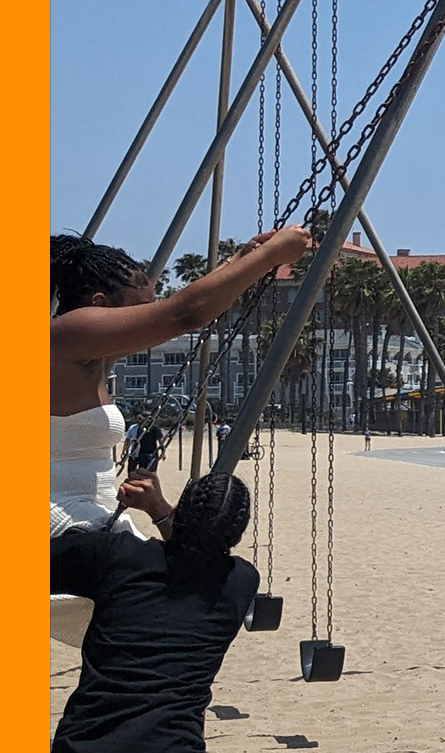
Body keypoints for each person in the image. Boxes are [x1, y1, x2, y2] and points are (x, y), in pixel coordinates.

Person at [51, 226, 311, 647]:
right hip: (58, 523)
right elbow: (181, 314)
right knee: (170, 603)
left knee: (200, 573)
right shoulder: (65, 334)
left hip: (95, 524)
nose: (144, 323)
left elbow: (184, 307)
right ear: (98, 305)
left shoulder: (89, 356)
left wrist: (241, 260)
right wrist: (269, 257)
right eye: (136, 312)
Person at [50, 470, 288, 753]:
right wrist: (160, 511)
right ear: (236, 535)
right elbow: (195, 552)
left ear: (183, 509)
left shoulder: (115, 554)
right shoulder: (239, 582)